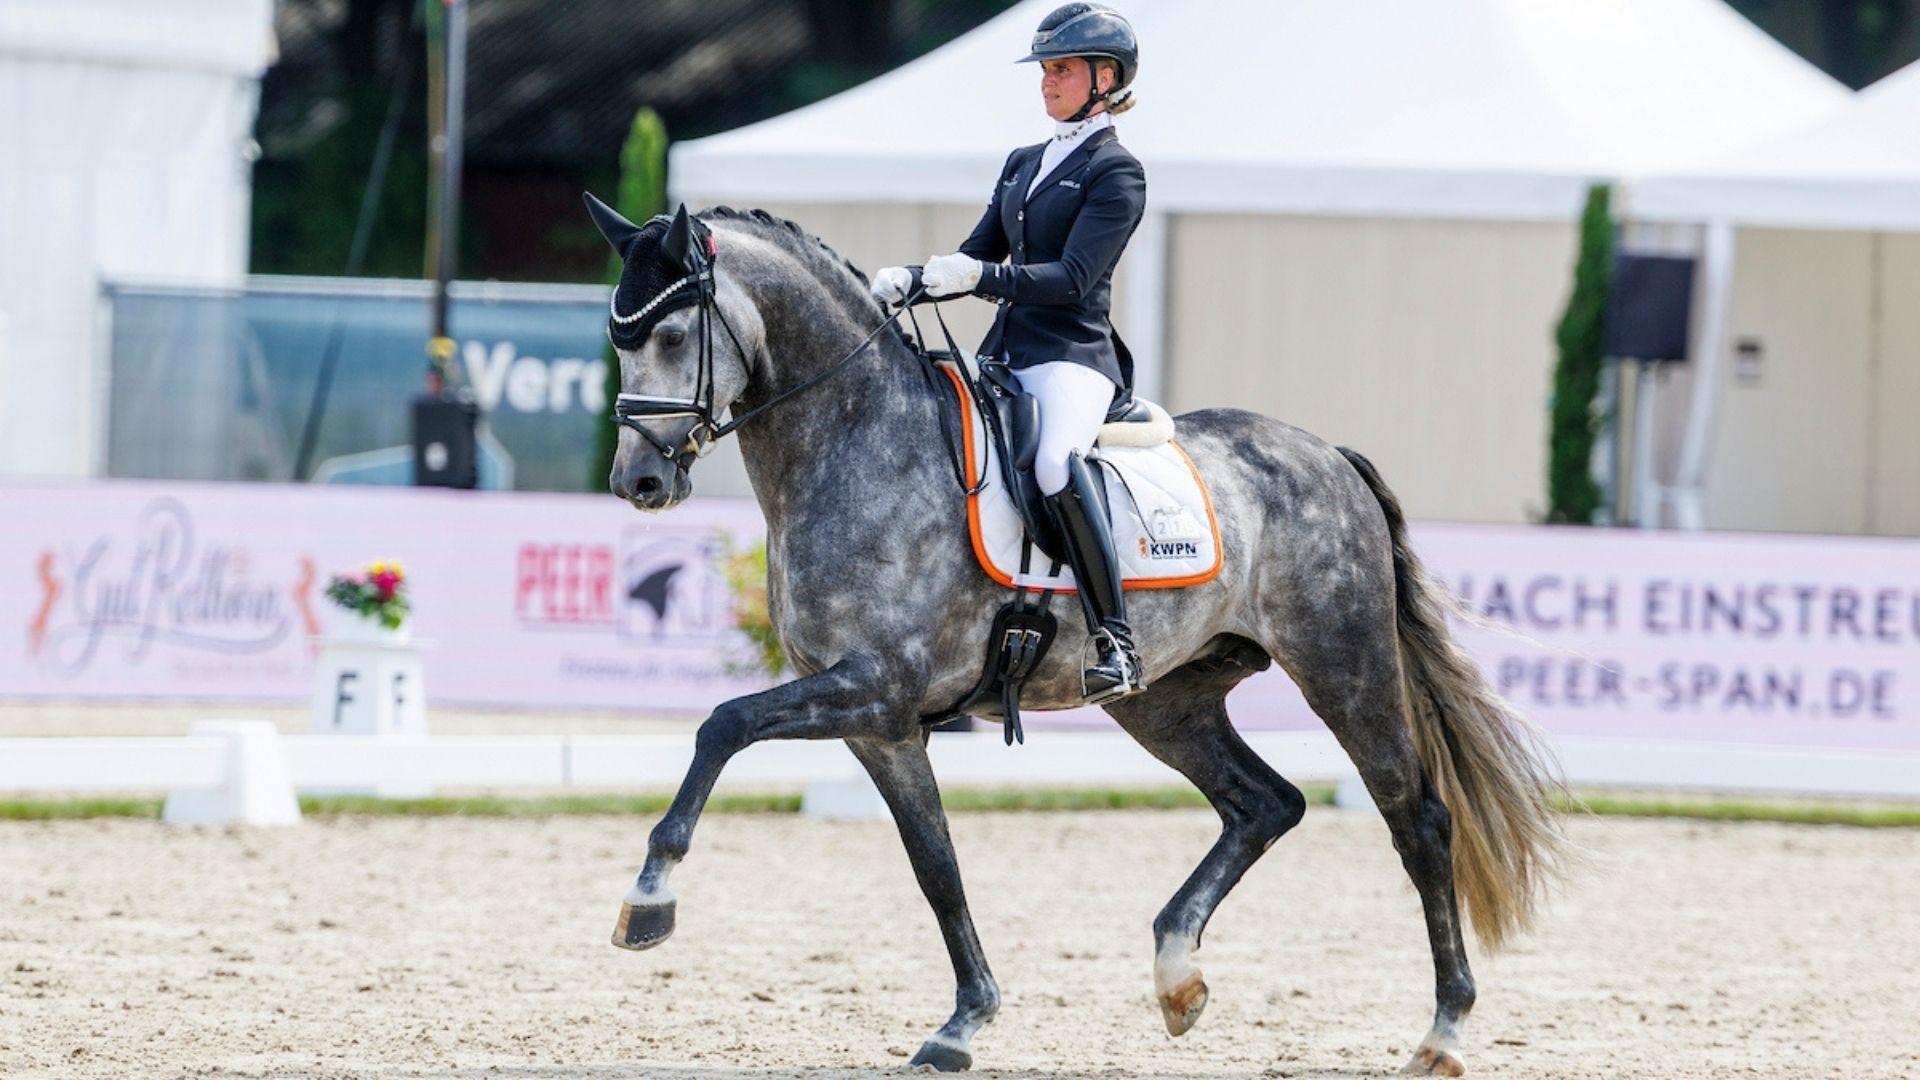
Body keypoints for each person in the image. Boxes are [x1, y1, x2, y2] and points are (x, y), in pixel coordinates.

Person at [872, 3, 1146, 702]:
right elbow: (976, 255)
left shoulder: (1117, 173)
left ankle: (1115, 636)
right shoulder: (1025, 162)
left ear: (1104, 76)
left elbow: (1072, 279)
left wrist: (982, 279)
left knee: (1055, 461)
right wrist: (917, 278)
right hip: (1005, 353)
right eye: (1046, 70)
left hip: (1071, 356)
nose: (1047, 83)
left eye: (1061, 69)